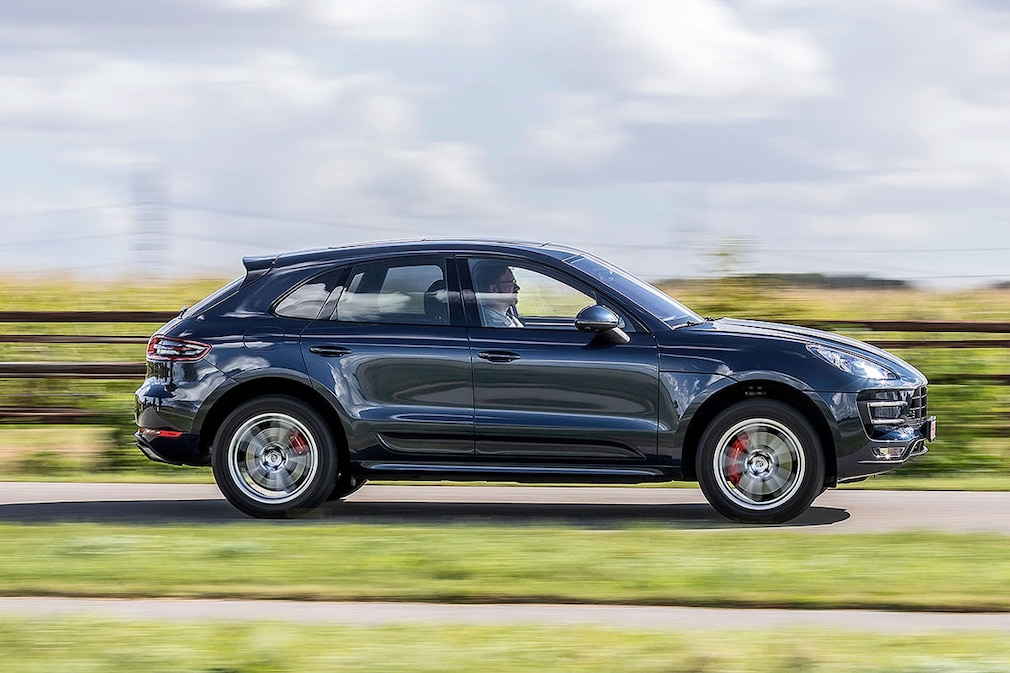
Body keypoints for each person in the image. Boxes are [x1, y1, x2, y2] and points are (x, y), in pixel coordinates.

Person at [473, 262, 524, 327]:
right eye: (510, 283)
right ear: (493, 289)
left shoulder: (507, 318)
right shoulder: (494, 324)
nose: (517, 288)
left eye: (514, 282)